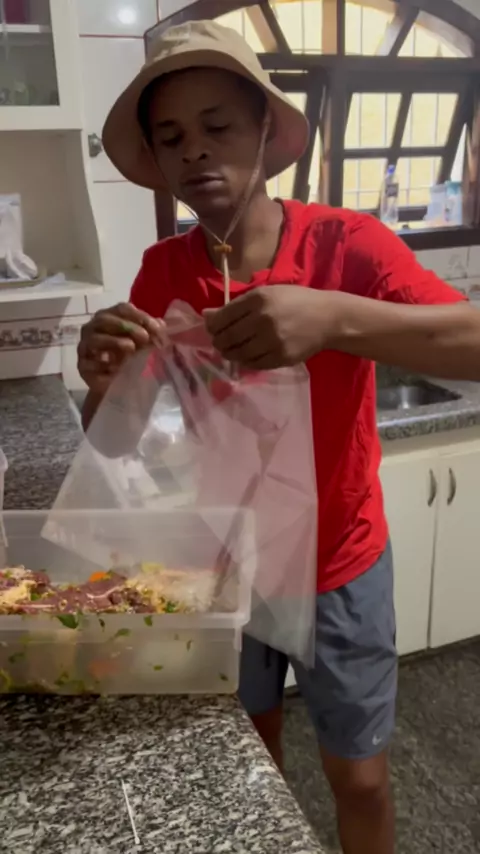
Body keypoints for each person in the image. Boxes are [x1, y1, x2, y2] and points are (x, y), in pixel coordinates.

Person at [78, 21, 480, 854]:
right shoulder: (163, 271)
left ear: (265, 128)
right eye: (172, 137)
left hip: (340, 564)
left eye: (218, 126)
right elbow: (114, 444)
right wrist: (103, 385)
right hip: (227, 567)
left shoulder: (345, 246)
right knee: (250, 765)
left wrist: (334, 319)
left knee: (360, 777)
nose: (196, 151)